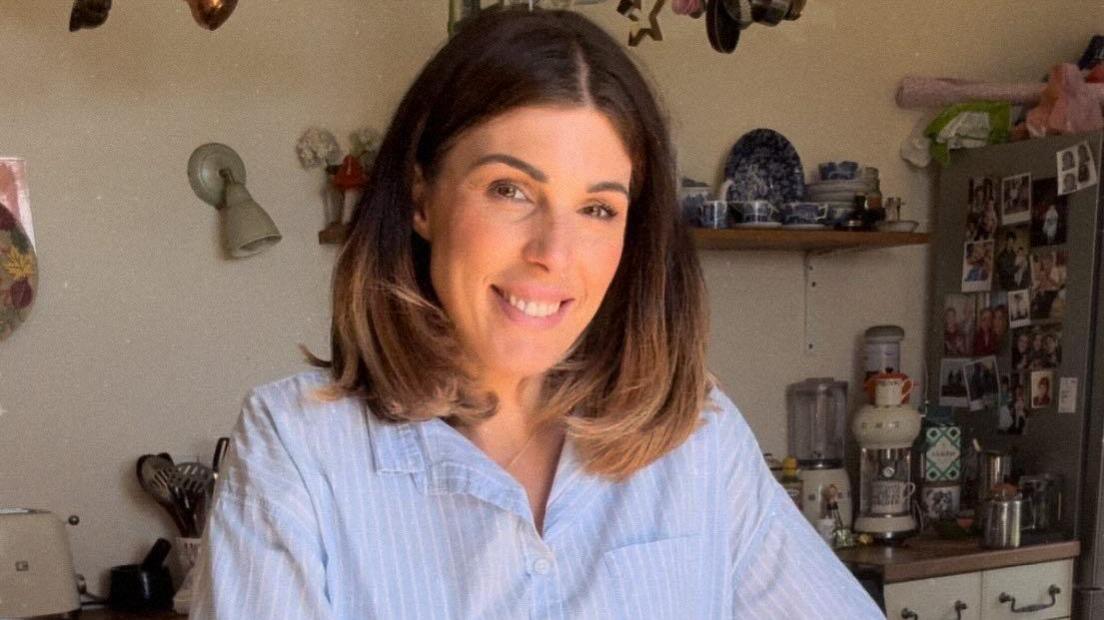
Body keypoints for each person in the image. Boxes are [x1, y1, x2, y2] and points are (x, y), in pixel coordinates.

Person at [189, 8, 880, 619]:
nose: (555, 252)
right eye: (511, 190)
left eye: (598, 208)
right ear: (421, 198)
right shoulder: (297, 452)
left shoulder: (697, 440)